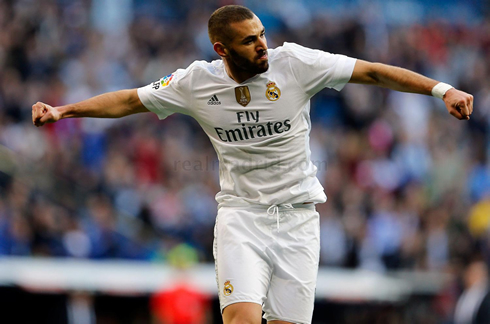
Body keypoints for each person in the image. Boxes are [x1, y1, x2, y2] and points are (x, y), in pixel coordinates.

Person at [32, 5, 473, 324]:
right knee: (242, 318)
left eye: (262, 34)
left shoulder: (296, 63)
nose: (263, 45)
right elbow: (129, 100)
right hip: (242, 218)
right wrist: (63, 111)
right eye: (250, 40)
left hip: (299, 221)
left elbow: (373, 72)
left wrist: (442, 89)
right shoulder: (194, 82)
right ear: (222, 49)